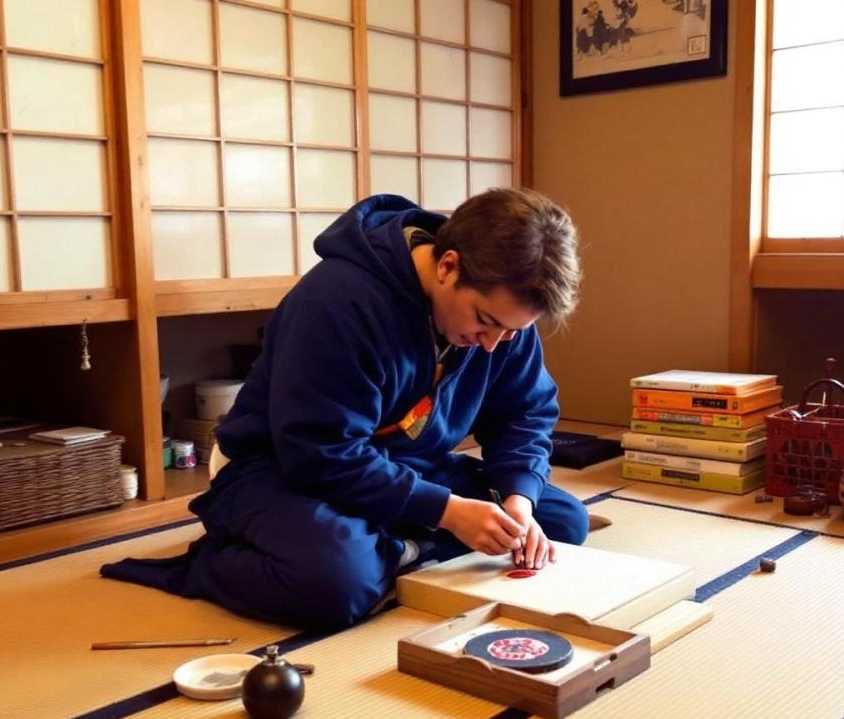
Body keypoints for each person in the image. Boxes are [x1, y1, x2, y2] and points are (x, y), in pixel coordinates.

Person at [102, 189, 588, 629]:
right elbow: (319, 453)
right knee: (337, 585)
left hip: (404, 466)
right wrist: (447, 511)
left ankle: (396, 549)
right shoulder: (338, 301)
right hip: (279, 467)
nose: (493, 345)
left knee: (560, 523)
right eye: (485, 322)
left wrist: (517, 501)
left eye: (512, 331)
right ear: (448, 267)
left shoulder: (501, 324)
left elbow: (525, 414)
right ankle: (231, 554)